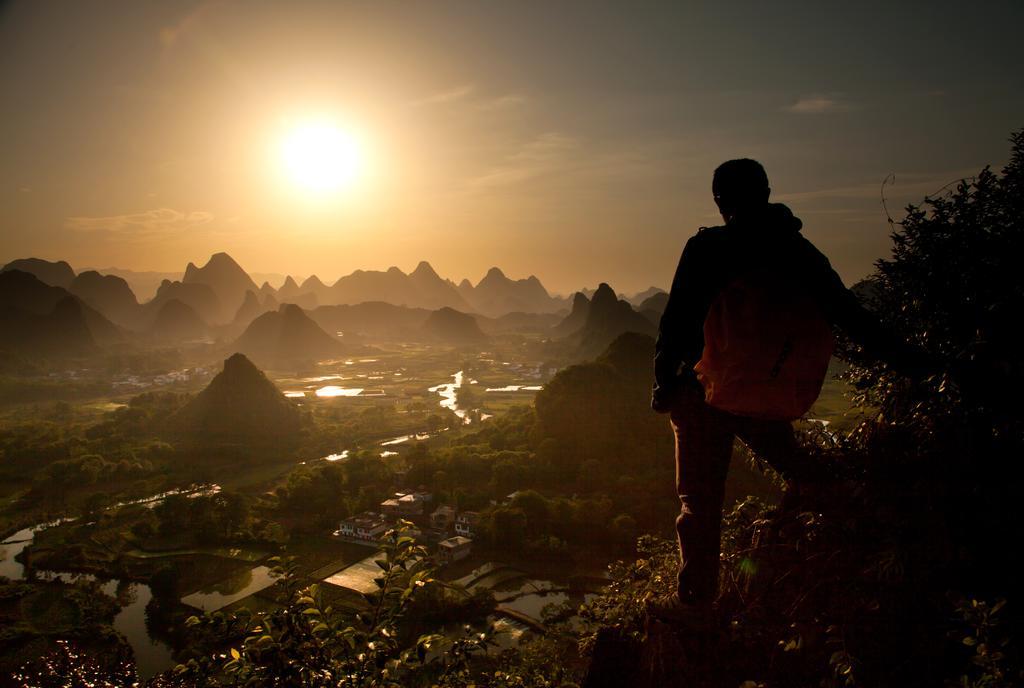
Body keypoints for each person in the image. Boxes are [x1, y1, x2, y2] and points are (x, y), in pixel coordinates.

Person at [652, 158, 922, 611]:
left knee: (699, 505)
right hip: (766, 395)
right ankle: (853, 562)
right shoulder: (800, 253)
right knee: (805, 473)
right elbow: (852, 318)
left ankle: (697, 609)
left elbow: (676, 322)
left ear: (720, 200)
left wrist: (664, 383)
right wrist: (915, 363)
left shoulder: (708, 248)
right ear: (768, 190)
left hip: (704, 392)